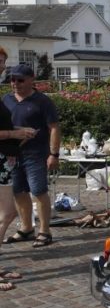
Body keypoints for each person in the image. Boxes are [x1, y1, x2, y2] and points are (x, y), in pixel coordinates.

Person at [1, 64, 60, 248]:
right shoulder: (7, 100)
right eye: (12, 80)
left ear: (31, 79)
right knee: (19, 192)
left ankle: (45, 231)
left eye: (20, 80)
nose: (15, 83)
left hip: (36, 153)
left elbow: (54, 128)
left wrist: (54, 154)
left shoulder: (42, 101)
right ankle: (26, 228)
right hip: (13, 154)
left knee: (38, 191)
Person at [0, 49, 38, 285]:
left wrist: (19, 137)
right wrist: (16, 133)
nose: (2, 65)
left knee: (6, 213)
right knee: (7, 213)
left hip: (5, 157)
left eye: (3, 61)